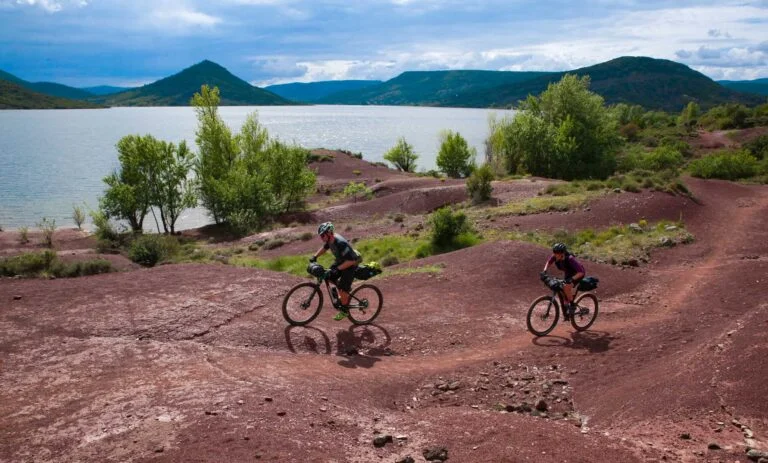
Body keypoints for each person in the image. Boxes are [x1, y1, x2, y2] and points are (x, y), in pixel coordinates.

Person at [310, 222, 361, 321]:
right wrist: (315, 256)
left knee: (342, 289)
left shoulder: (340, 243)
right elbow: (325, 248)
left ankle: (344, 310)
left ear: (329, 233)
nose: (321, 237)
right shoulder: (330, 240)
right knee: (328, 276)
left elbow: (351, 261)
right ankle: (343, 291)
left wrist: (337, 269)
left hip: (350, 265)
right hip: (341, 262)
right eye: (320, 235)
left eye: (322, 235)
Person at [542, 243, 585, 320]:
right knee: (561, 289)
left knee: (566, 287)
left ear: (562, 253)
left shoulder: (570, 259)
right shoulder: (555, 256)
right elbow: (549, 262)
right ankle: (566, 309)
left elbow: (581, 272)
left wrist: (571, 279)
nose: (555, 255)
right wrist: (544, 271)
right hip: (568, 274)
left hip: (577, 274)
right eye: (554, 252)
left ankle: (572, 305)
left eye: (557, 253)